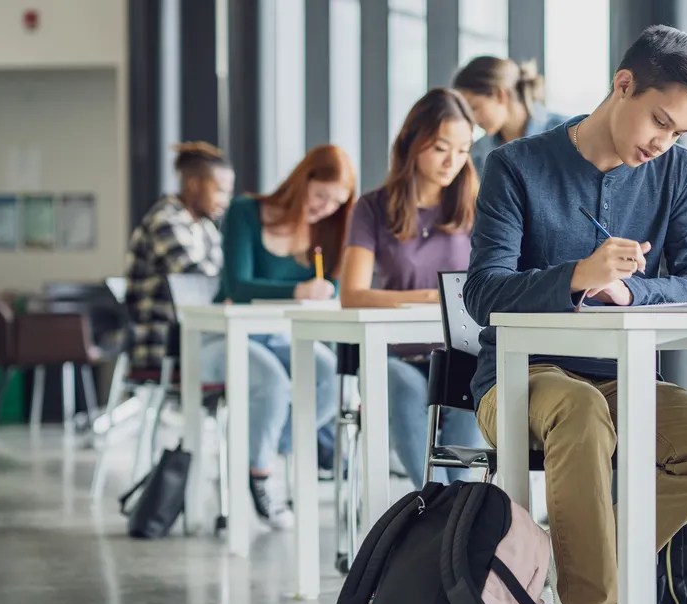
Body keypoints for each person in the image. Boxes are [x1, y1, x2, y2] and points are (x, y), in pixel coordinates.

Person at [464, 26, 687, 604]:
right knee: (581, 410)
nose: (663, 143)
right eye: (659, 121)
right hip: (518, 378)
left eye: (679, 132)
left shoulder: (674, 171)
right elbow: (482, 293)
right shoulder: (516, 166)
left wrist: (632, 292)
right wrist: (576, 277)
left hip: (620, 379)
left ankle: (575, 564)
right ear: (623, 85)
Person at [339, 88, 485, 488]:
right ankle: (434, 503)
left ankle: (454, 516)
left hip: (460, 352)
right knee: (402, 388)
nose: (452, 161)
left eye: (462, 150)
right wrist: (426, 297)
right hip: (394, 355)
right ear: (411, 142)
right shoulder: (371, 209)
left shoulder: (476, 205)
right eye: (440, 148)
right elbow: (352, 294)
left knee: (472, 388)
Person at [208, 144, 356, 530]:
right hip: (225, 336)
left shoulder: (324, 229)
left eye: (336, 202)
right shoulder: (245, 212)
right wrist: (298, 292)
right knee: (274, 383)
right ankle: (260, 475)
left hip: (275, 336)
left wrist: (326, 289)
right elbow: (237, 286)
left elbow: (336, 284)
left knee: (329, 373)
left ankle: (265, 451)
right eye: (321, 195)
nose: (326, 207)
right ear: (301, 180)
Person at [123, 142, 234, 373]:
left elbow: (222, 277)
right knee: (246, 364)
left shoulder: (205, 228)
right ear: (194, 185)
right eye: (220, 191)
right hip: (162, 344)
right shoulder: (165, 220)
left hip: (196, 337)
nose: (225, 201)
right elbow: (200, 279)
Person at [453, 56, 567, 175]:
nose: (471, 119)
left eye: (474, 107)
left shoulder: (567, 134)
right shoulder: (478, 154)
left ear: (500, 95)